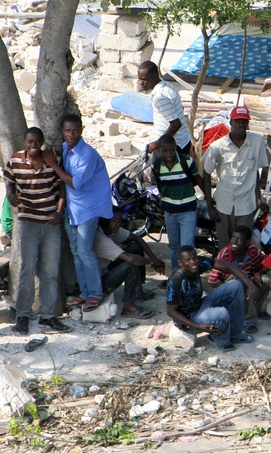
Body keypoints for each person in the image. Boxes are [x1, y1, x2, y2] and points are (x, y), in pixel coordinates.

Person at [44, 113, 114, 312]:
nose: (71, 134)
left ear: (81, 130)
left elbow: (75, 182)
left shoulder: (87, 154)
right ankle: (84, 293)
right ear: (62, 131)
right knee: (76, 253)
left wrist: (53, 165)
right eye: (67, 130)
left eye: (75, 130)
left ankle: (95, 294)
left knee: (85, 252)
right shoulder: (65, 148)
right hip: (73, 208)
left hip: (88, 209)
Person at [5, 127, 68, 334]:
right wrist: (12, 195)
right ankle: (23, 315)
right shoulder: (15, 160)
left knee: (50, 271)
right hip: (27, 222)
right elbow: (9, 182)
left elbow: (61, 188)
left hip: (50, 222)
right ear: (24, 142)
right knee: (26, 270)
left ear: (41, 142)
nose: (34, 146)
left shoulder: (51, 159)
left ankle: (48, 317)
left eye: (37, 142)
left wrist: (59, 212)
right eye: (30, 142)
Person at [166, 246, 259, 351]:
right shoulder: (176, 279)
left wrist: (250, 284)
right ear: (180, 263)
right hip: (190, 318)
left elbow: (228, 266)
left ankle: (234, 334)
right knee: (221, 313)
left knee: (236, 285)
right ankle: (221, 341)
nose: (193, 262)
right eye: (188, 260)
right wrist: (197, 326)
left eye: (194, 258)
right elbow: (170, 311)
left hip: (200, 304)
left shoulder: (198, 263)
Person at [202, 106, 270, 247]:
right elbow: (206, 173)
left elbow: (256, 172)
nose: (241, 124)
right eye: (238, 121)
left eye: (244, 121)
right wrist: (209, 205)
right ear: (231, 122)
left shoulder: (257, 142)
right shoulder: (217, 146)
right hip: (223, 204)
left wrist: (258, 199)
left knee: (243, 244)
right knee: (225, 245)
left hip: (246, 203)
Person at [151, 134, 207, 270]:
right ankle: (176, 277)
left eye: (171, 150)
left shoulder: (186, 161)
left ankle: (189, 278)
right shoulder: (156, 165)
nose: (168, 154)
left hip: (187, 211)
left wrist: (210, 200)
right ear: (159, 151)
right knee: (174, 246)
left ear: (175, 148)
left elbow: (199, 180)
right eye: (164, 151)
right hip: (170, 212)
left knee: (187, 247)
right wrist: (162, 199)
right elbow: (158, 183)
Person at [94, 211, 164, 318]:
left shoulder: (111, 229)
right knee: (130, 265)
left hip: (106, 267)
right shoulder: (101, 239)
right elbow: (131, 260)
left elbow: (137, 238)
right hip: (99, 282)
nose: (117, 224)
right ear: (104, 221)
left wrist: (153, 257)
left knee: (135, 247)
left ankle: (137, 292)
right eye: (114, 221)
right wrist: (153, 262)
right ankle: (128, 307)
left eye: (119, 221)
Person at [207, 225, 266, 331]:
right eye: (233, 238)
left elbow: (262, 263)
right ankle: (248, 320)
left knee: (267, 280)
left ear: (247, 242)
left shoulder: (252, 250)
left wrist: (258, 273)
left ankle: (256, 311)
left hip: (248, 282)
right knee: (240, 279)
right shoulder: (224, 254)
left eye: (239, 239)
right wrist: (229, 291)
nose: (234, 241)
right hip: (228, 286)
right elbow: (213, 280)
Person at [138, 61, 192, 155]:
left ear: (154, 76)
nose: (141, 83)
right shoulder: (167, 86)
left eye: (144, 79)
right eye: (139, 79)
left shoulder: (160, 97)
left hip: (173, 146)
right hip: (182, 141)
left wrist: (157, 143)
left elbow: (176, 124)